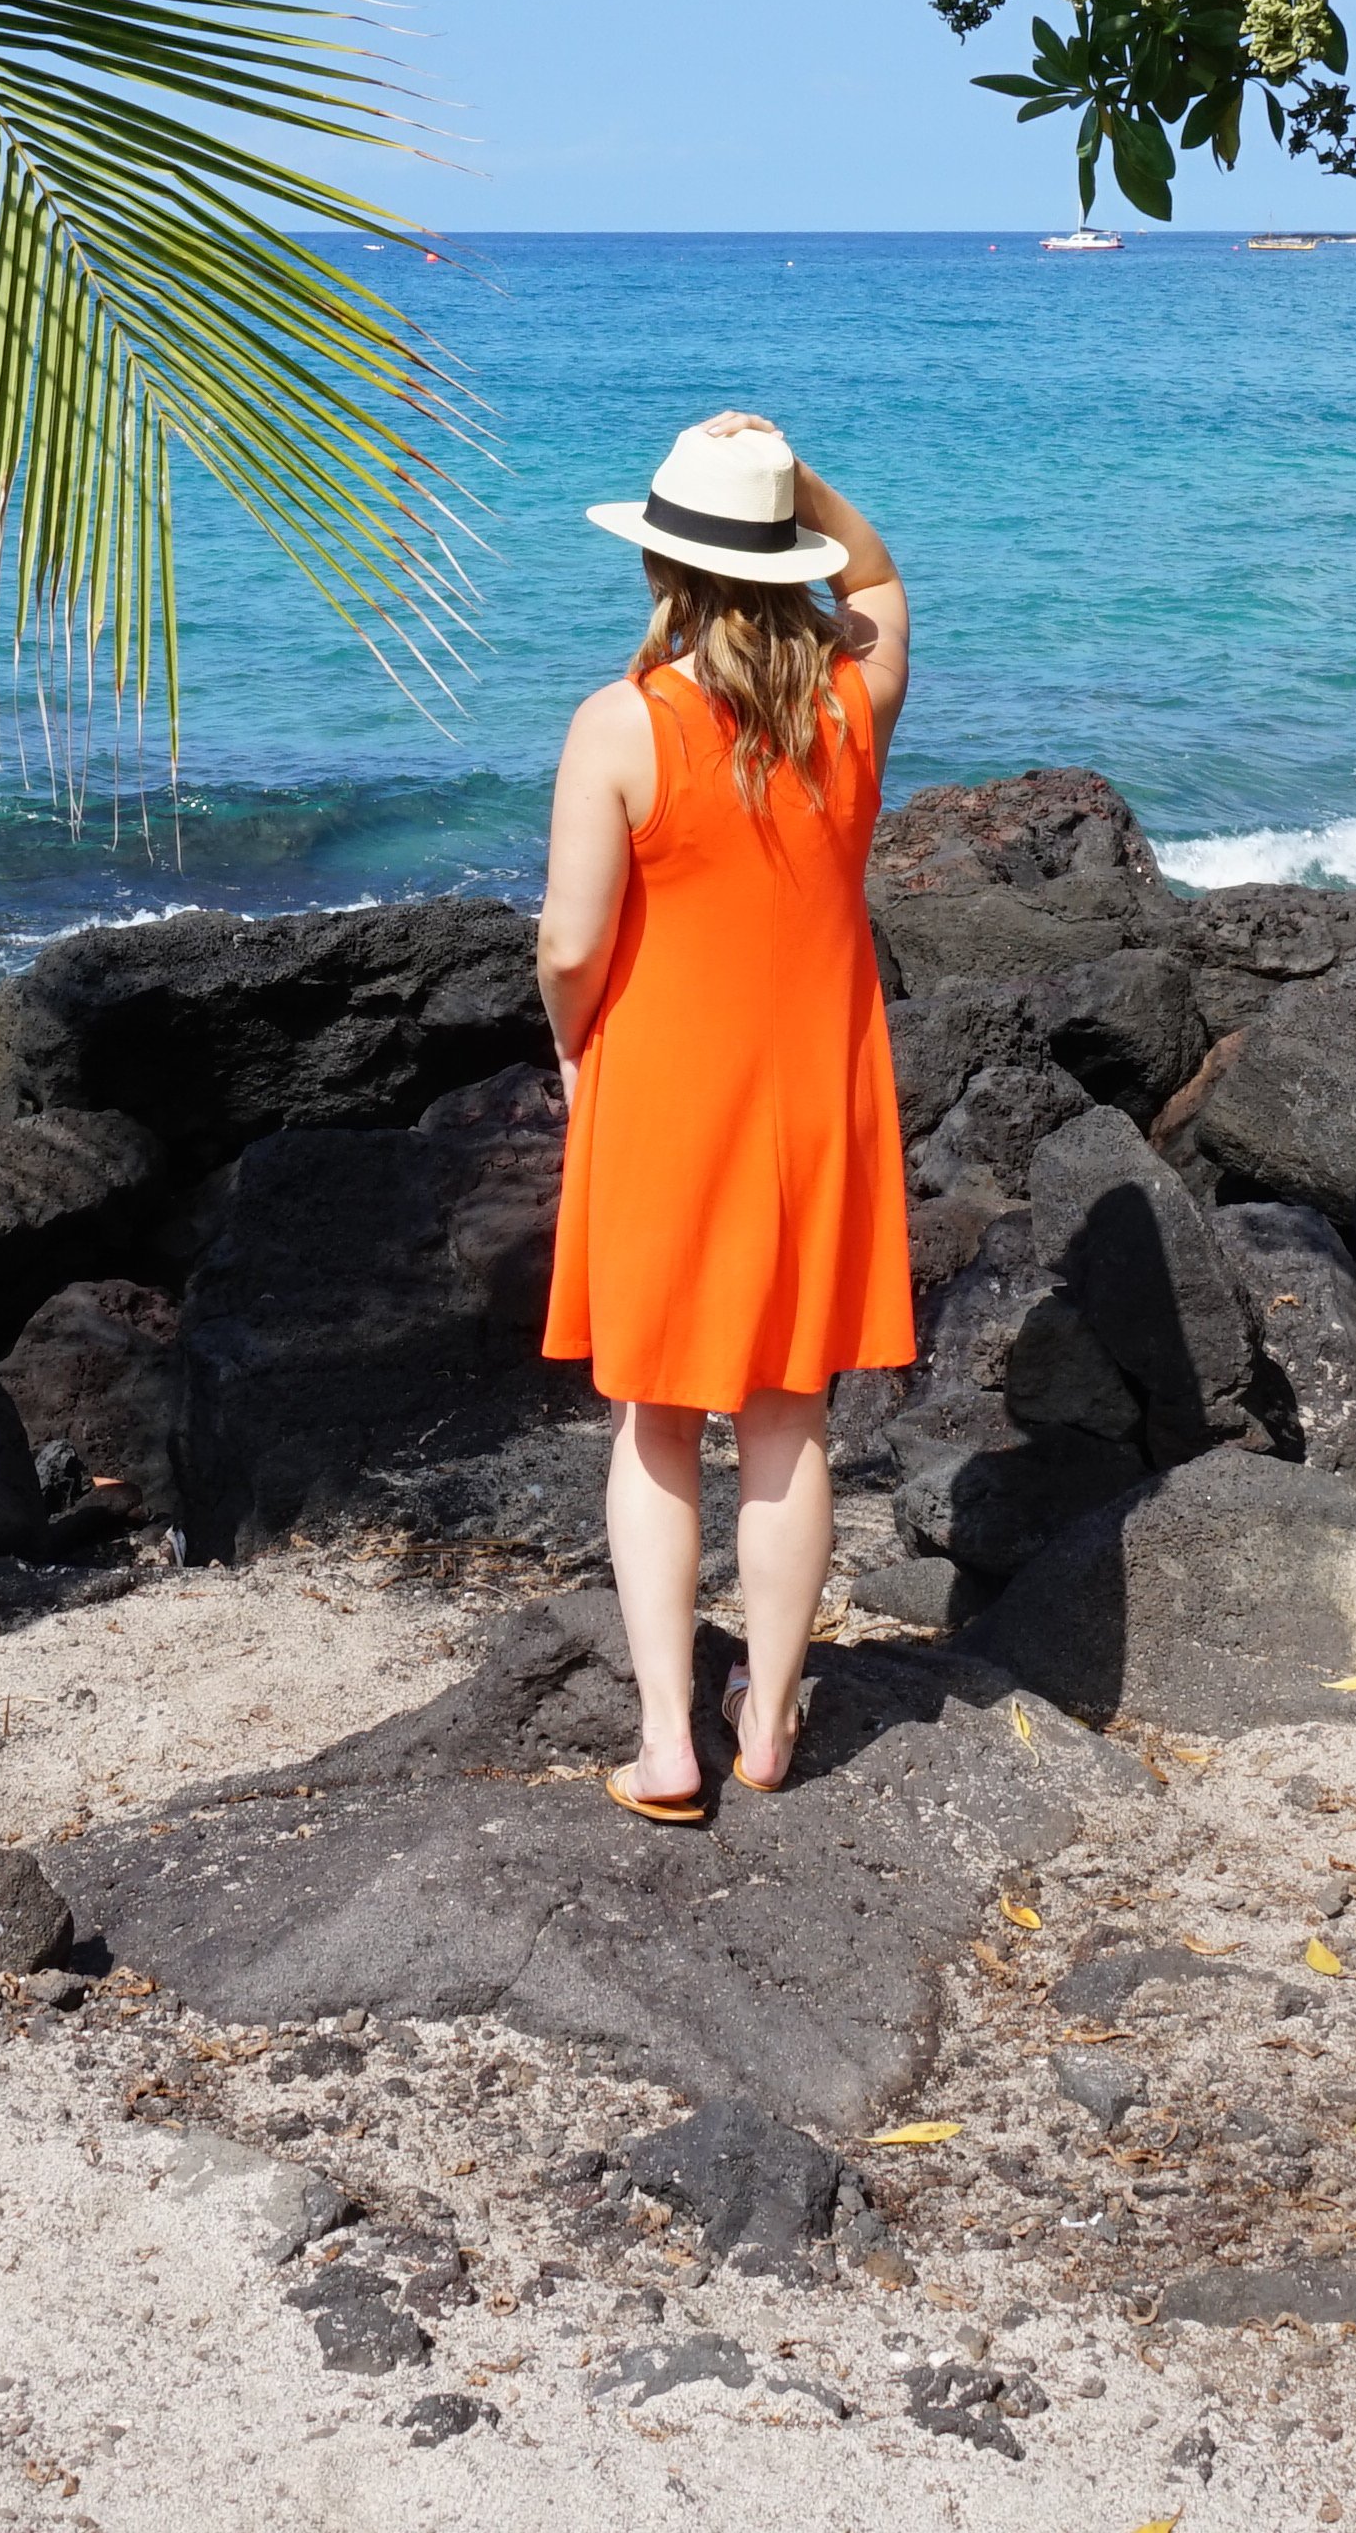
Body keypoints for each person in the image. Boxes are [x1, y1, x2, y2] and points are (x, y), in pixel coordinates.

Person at [534, 411, 915, 1825]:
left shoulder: (622, 722)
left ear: (662, 567)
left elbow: (574, 945)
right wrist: (799, 478)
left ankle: (669, 1745)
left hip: (668, 1093)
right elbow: (878, 588)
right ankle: (766, 1721)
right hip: (818, 1090)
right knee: (786, 1414)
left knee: (654, 1418)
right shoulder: (850, 700)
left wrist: (575, 1051)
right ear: (784, 559)